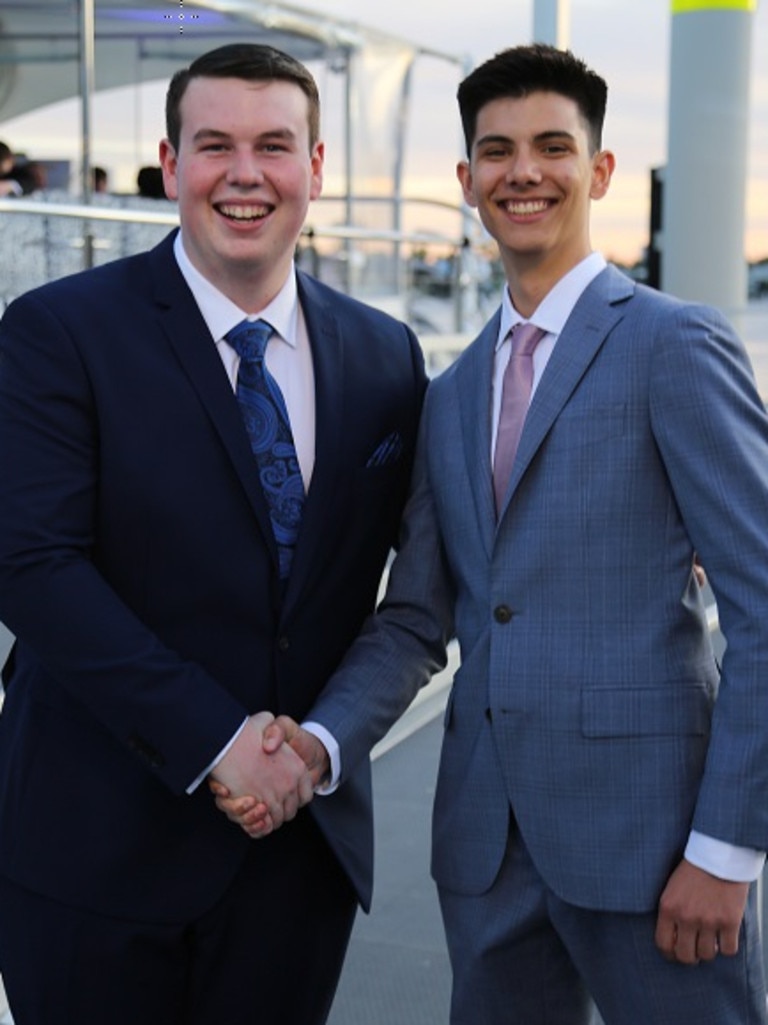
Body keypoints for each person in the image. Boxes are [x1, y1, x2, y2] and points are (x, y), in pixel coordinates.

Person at [220, 43, 768, 1024]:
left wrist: (726, 849)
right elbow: (420, 616)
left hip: (657, 843)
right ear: (467, 178)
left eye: (554, 146)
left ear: (598, 172)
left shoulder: (672, 344)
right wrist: (318, 743)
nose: (525, 170)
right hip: (484, 841)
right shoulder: (453, 388)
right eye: (498, 149)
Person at [0, 42, 426, 1025]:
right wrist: (216, 738)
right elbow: (31, 564)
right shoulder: (58, 331)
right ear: (169, 162)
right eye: (215, 145)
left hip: (295, 858)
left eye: (275, 145)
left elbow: (428, 569)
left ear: (318, 167)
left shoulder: (383, 354)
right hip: (95, 847)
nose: (244, 173)